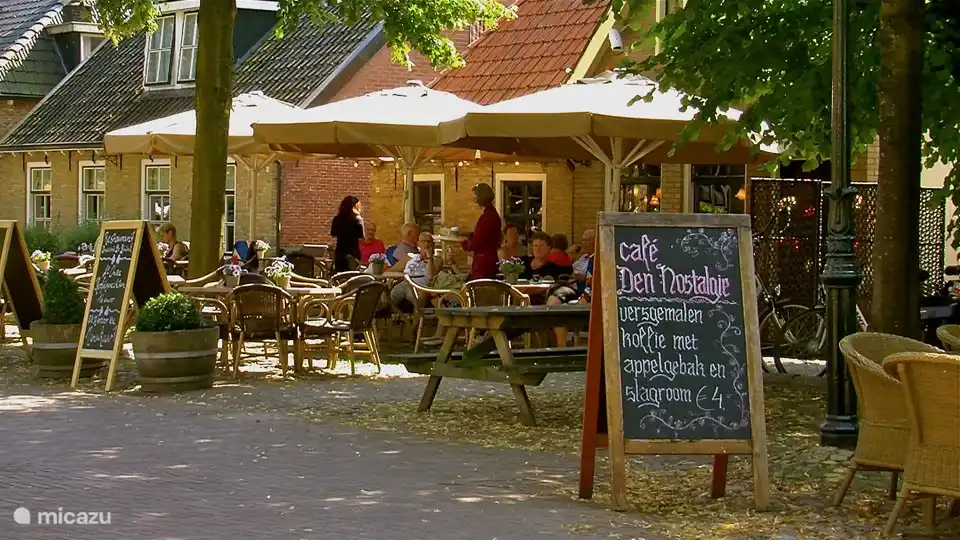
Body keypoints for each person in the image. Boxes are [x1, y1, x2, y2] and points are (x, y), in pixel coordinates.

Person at [547, 229, 595, 345]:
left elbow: (590, 281)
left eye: (588, 240)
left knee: (565, 311)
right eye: (583, 240)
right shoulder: (583, 258)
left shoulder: (597, 258)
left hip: (584, 291)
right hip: (571, 287)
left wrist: (576, 277)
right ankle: (559, 346)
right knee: (553, 300)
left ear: (596, 241)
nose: (584, 243)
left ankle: (561, 346)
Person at [390, 232, 439, 311]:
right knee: (387, 298)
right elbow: (391, 271)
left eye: (429, 241)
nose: (426, 244)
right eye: (423, 241)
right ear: (418, 244)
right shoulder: (410, 256)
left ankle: (416, 322)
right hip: (404, 284)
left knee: (419, 299)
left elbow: (430, 276)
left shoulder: (436, 260)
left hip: (419, 287)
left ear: (433, 244)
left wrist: (429, 257)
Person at [462, 183, 502, 279]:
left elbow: (478, 242)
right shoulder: (491, 214)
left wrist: (464, 243)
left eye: (475, 196)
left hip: (484, 264)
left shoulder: (487, 217)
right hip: (488, 260)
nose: (474, 199)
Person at [330, 196, 364, 272]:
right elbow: (361, 236)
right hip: (353, 252)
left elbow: (333, 233)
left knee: (340, 275)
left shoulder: (336, 219)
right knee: (353, 275)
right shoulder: (357, 221)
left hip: (340, 252)